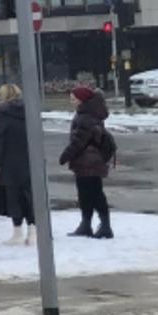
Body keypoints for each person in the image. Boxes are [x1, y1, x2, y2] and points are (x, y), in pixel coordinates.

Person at [58, 84, 117, 239]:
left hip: (88, 161)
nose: (71, 101)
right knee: (87, 194)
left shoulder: (86, 117)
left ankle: (104, 226)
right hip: (89, 161)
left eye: (73, 99)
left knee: (94, 194)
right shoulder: (87, 113)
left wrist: (65, 156)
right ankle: (87, 225)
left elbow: (79, 141)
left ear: (82, 100)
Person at [0, 83, 35, 245]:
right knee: (29, 196)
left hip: (9, 163)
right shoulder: (29, 112)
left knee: (14, 198)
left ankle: (17, 234)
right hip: (29, 161)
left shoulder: (2, 115)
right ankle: (33, 232)